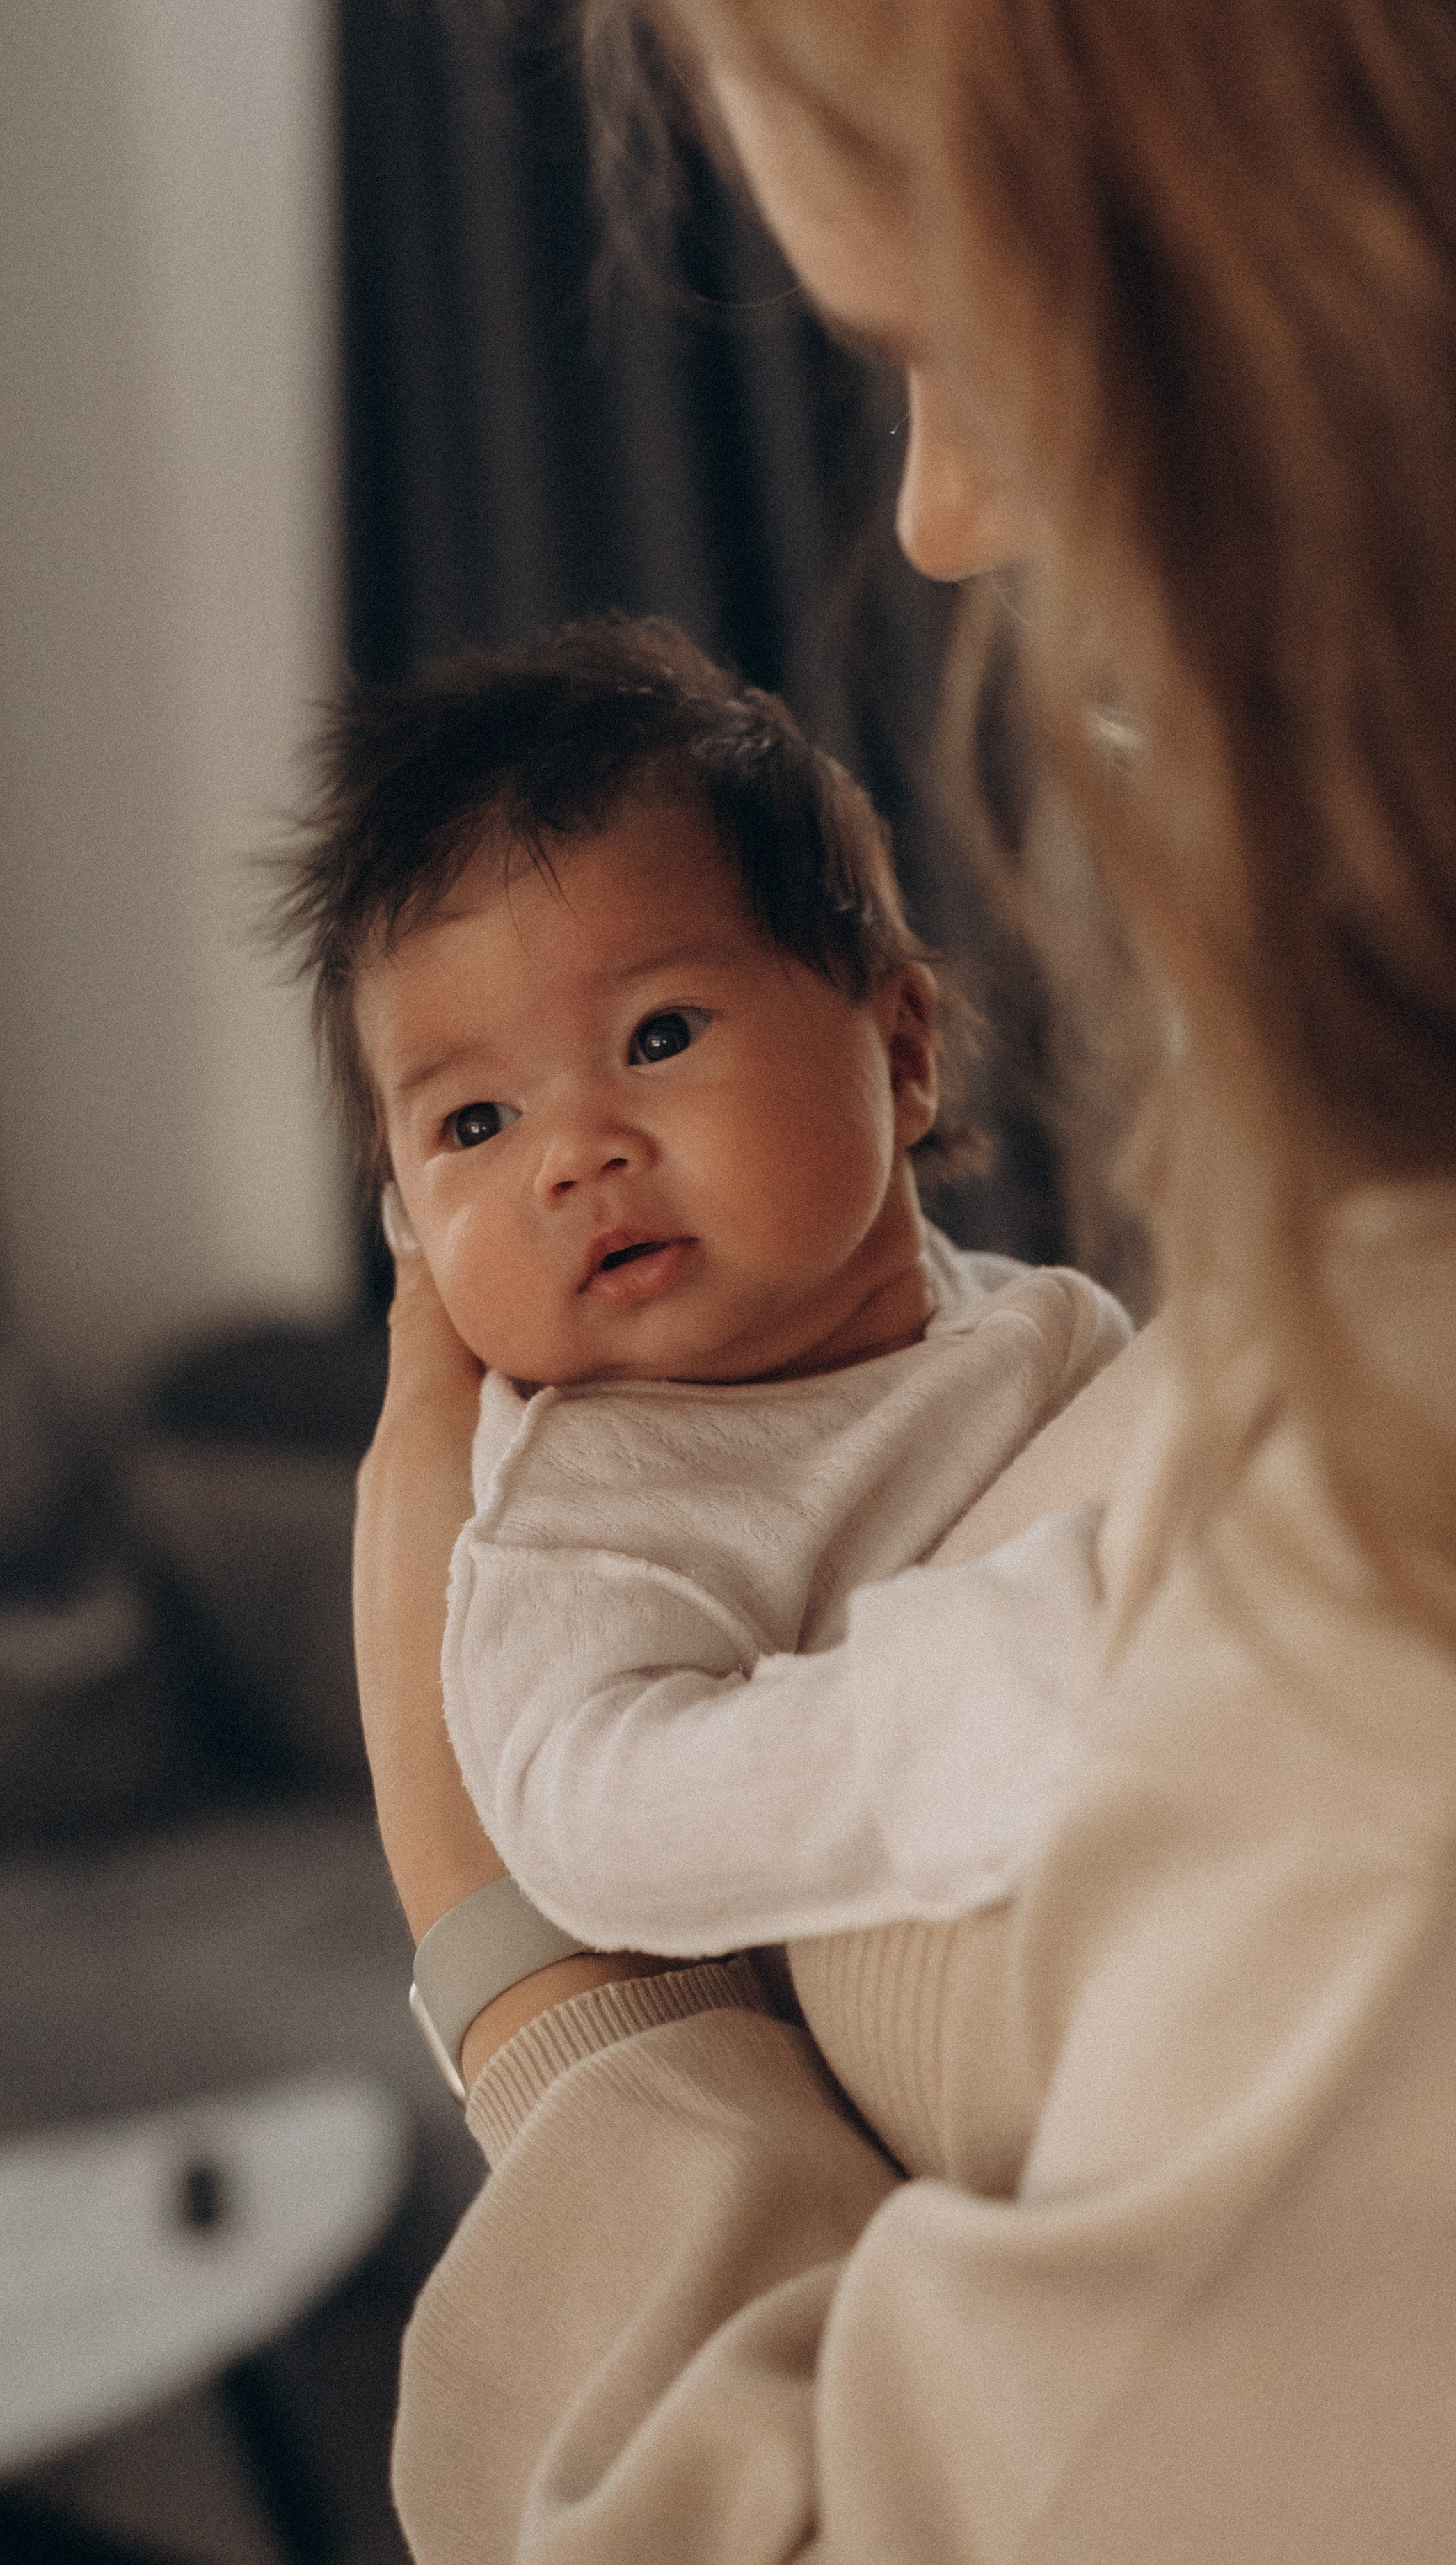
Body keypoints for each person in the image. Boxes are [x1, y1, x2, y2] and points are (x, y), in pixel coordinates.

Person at [353, 0, 1456, 2558]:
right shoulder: (611, 1542)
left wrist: (541, 1998)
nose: (938, 511)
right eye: (460, 1123)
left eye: (958, 326)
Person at [279, 612, 1128, 1968]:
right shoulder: (591, 1505)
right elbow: (593, 1812)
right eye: (475, 1123)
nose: (571, 1155)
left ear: (900, 1054)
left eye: (656, 1036)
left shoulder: (1028, 1324)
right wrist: (1003, 1670)